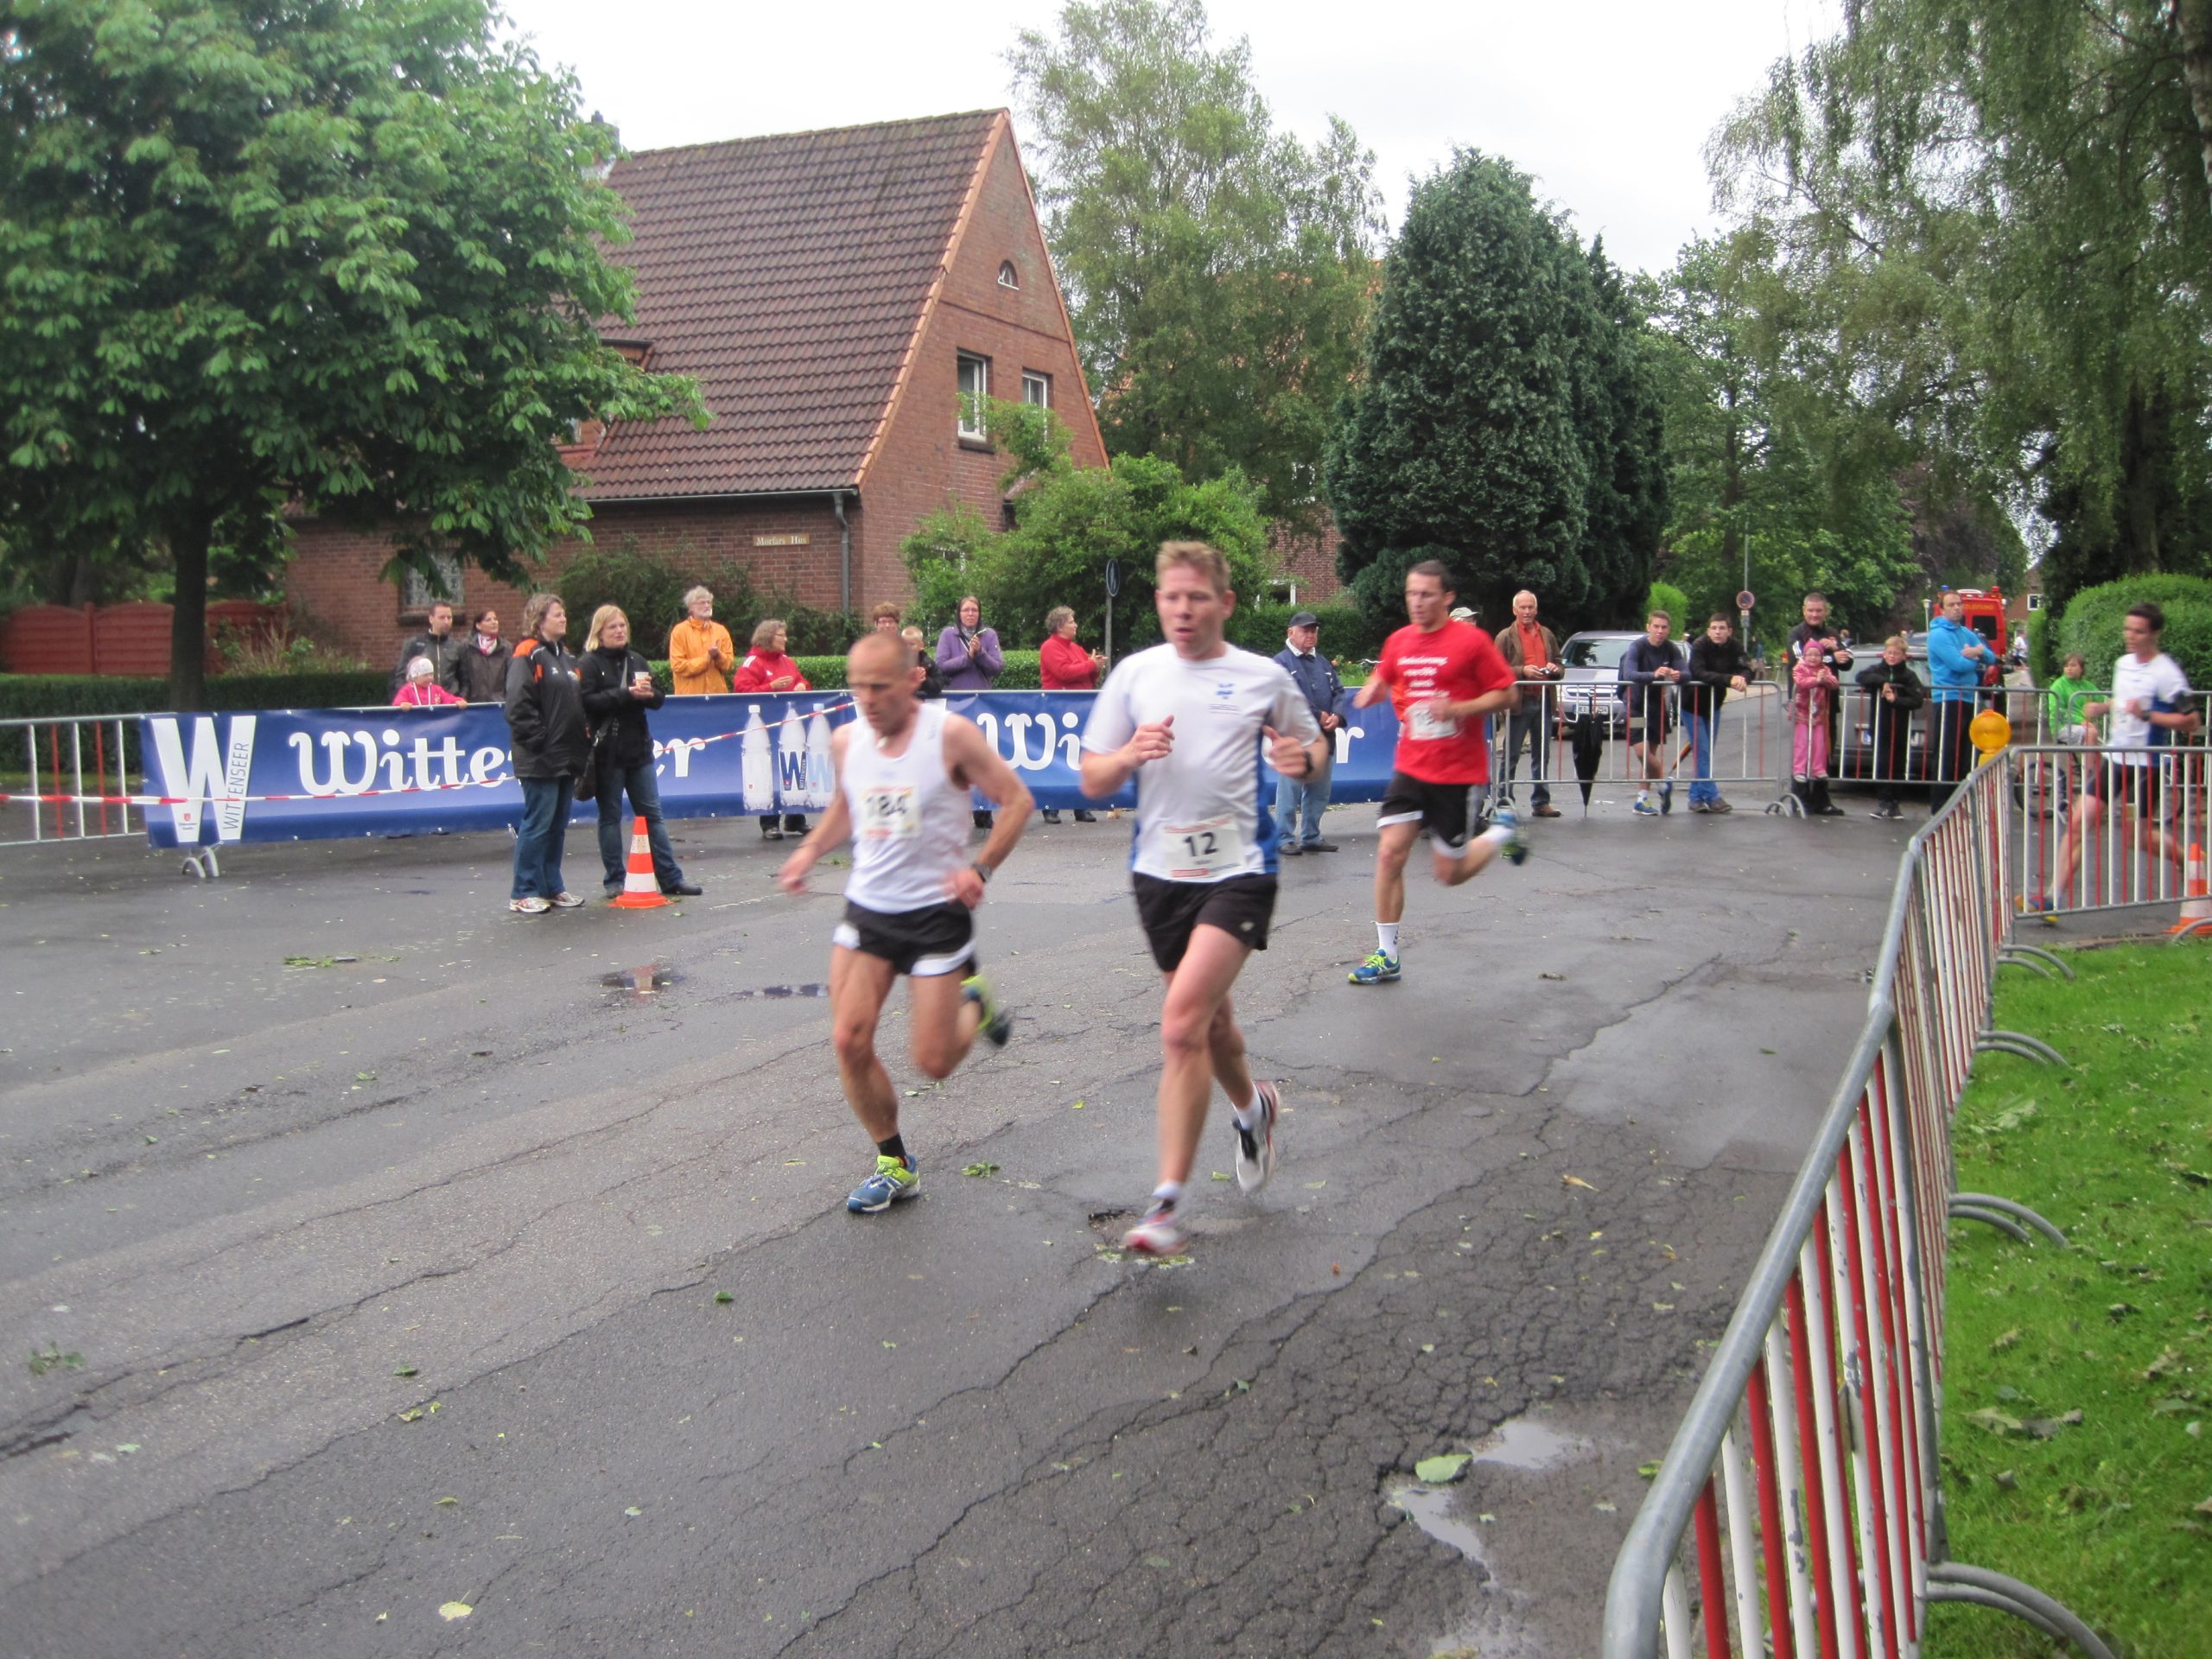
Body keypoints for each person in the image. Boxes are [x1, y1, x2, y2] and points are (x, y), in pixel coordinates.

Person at [1080, 542, 1328, 1255]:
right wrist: (1130, 754)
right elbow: (1093, 778)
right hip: (1159, 876)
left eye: (1196, 598)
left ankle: (1163, 1204)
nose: (1182, 610)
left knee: (1182, 1024)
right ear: (1157, 601)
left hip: (1240, 870)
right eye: (1169, 597)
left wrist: (1298, 759)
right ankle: (1255, 1109)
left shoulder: (1261, 677)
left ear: (1225, 603)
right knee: (1213, 1024)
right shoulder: (1134, 674)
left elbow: (1315, 756)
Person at [777, 632, 1033, 1216]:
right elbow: (849, 804)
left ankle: (975, 1001)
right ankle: (894, 1162)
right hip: (869, 909)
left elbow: (1016, 801)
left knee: (934, 1063)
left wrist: (982, 868)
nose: (866, 699)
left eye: (879, 687)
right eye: (857, 686)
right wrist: (809, 852)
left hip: (937, 915)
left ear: (912, 680)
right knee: (848, 1038)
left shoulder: (951, 737)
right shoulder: (846, 741)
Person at [1346, 561, 1528, 987]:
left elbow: (1508, 694)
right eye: (1411, 594)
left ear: (1447, 598)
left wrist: (1459, 709)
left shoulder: (1472, 642)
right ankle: (1386, 953)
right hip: (1411, 765)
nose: (1417, 602)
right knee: (1390, 852)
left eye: (1426, 594)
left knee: (1449, 873)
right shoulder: (1400, 640)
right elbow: (1388, 671)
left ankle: (1502, 832)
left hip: (1457, 772)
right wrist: (1374, 687)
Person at [2031, 602, 2202, 912]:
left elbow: (2193, 721)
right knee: (2078, 822)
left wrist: (2148, 714)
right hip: (2115, 760)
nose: (2131, 636)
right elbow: (2124, 699)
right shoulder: (2123, 663)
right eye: (2127, 629)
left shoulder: (2168, 674)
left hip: (2146, 765)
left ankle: (2185, 860)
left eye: (2138, 631)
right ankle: (2052, 898)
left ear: (2154, 634)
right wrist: (2104, 707)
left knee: (2137, 838)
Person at [579, 605, 701, 899]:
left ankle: (671, 878)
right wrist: (625, 695)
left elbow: (659, 698)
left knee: (653, 814)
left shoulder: (636, 659)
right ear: (599, 633)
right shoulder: (590, 663)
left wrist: (649, 695)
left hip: (639, 749)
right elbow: (587, 701)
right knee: (610, 816)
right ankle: (615, 880)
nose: (620, 631)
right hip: (608, 751)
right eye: (612, 627)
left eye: (622, 625)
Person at [503, 594, 589, 915]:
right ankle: (523, 890)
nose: (563, 619)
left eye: (564, 613)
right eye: (557, 614)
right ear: (539, 620)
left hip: (567, 755)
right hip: (540, 756)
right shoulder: (528, 653)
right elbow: (518, 704)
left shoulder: (567, 658)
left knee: (557, 824)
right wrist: (538, 741)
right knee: (538, 822)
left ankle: (551, 886)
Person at [1272, 610, 1346, 855]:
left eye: (1313, 630)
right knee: (1290, 789)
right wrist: (1318, 715)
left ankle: (1311, 836)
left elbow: (1339, 692)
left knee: (1320, 791)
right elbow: (1288, 697)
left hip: (1324, 738)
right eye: (1305, 630)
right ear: (1290, 633)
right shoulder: (1281, 663)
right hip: (1295, 737)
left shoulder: (1323, 662)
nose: (1310, 635)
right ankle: (1283, 837)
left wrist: (1337, 716)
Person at [733, 618, 812, 840]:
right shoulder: (753, 663)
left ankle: (796, 818)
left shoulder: (787, 661)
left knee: (795, 769)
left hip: (790, 726)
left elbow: (803, 681)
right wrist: (770, 688)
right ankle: (769, 822)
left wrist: (802, 686)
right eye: (781, 635)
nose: (786, 639)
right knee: (769, 773)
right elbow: (741, 691)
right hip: (765, 728)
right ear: (768, 637)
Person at [938, 595, 1005, 830]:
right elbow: (941, 665)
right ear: (959, 613)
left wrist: (981, 654)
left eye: (974, 610)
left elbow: (998, 667)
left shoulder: (989, 635)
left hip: (982, 703)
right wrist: (968, 658)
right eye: (966, 610)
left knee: (981, 759)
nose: (970, 614)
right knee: (956, 759)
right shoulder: (949, 635)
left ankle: (983, 812)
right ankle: (955, 810)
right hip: (956, 703)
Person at [1494, 589, 1563, 817]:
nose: (1526, 611)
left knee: (1541, 753)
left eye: (1530, 607)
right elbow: (1495, 669)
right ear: (1514, 610)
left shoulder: (1547, 634)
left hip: (1543, 698)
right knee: (1511, 753)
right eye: (1522, 607)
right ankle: (1504, 801)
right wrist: (1522, 671)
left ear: (1536, 609)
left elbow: (1560, 665)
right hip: (1519, 701)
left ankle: (1541, 801)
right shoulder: (1505, 636)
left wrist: (1554, 670)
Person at [1037, 605, 1106, 824]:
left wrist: (1096, 668)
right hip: (1059, 708)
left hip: (1079, 709)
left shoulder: (1076, 648)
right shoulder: (1049, 647)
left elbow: (1086, 679)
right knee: (1056, 757)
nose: (1075, 625)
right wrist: (1089, 664)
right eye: (1071, 621)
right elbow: (1063, 673)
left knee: (1080, 757)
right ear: (1059, 626)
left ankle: (1081, 805)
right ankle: (1051, 807)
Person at [1787, 594, 1854, 815]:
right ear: (1803, 610)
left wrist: (1835, 648)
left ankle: (1822, 800)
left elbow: (1849, 659)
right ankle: (1800, 799)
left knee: (1823, 750)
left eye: (1819, 611)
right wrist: (1833, 656)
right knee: (1802, 751)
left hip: (1827, 704)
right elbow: (1803, 660)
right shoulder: (1796, 634)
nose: (1815, 614)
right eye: (1811, 610)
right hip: (1802, 704)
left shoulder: (1832, 634)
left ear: (1825, 612)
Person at [1926, 589, 1991, 812]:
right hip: (1948, 698)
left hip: (1969, 698)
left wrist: (1974, 651)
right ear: (1942, 609)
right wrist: (1976, 658)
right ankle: (1940, 806)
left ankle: (1959, 803)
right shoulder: (1938, 635)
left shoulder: (1966, 633)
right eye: (1951, 605)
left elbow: (1991, 658)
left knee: (1966, 753)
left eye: (1959, 604)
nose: (1957, 608)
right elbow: (1958, 665)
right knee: (1946, 752)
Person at [1619, 611, 1686, 817]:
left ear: (1668, 630)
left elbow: (1687, 671)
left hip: (1658, 707)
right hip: (1637, 705)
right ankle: (1664, 784)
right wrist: (1654, 675)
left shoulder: (1671, 649)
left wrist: (1679, 675)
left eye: (1664, 627)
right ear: (1648, 627)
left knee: (1650, 755)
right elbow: (1630, 674)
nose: (1660, 631)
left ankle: (1642, 799)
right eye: (1656, 626)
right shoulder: (1637, 647)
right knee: (1641, 753)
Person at [1855, 635, 1926, 819]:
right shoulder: (1878, 670)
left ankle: (1895, 803)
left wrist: (1897, 700)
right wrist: (1882, 683)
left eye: (1896, 653)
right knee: (1882, 761)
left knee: (1898, 763)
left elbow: (1917, 699)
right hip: (1880, 723)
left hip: (1901, 724)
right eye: (1889, 652)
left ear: (1904, 655)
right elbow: (1861, 677)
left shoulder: (1909, 676)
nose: (1892, 656)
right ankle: (1883, 801)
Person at [1684, 613, 1750, 813]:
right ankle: (1712, 797)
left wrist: (1742, 678)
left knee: (1705, 753)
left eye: (1722, 628)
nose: (1717, 632)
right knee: (1703, 751)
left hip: (1714, 705)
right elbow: (1699, 673)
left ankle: (1695, 798)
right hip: (1691, 704)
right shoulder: (1699, 646)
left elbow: (1747, 668)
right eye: (1714, 628)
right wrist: (1729, 679)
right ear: (1708, 630)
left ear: (1729, 631)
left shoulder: (1736, 647)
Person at [1790, 635, 1841, 806]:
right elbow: (1800, 682)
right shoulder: (1800, 667)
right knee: (1802, 743)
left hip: (1819, 714)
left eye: (1817, 655)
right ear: (1804, 656)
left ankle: (1818, 769)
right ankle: (1799, 770)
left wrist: (1825, 679)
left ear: (1821, 656)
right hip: (1802, 712)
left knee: (1820, 743)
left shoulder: (1824, 669)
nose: (1813, 658)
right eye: (1810, 655)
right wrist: (1816, 680)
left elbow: (1834, 684)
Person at [389, 600, 466, 698]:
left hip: (450, 704)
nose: (446, 621)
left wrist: (460, 698)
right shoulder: (415, 644)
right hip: (421, 704)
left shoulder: (457, 647)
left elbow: (464, 680)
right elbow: (400, 676)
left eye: (449, 617)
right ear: (431, 619)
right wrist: (407, 698)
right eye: (442, 618)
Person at [668, 587, 734, 696]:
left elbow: (729, 665)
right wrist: (706, 658)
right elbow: (678, 666)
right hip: (690, 699)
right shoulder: (679, 631)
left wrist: (718, 655)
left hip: (717, 697)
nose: (707, 606)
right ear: (690, 608)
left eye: (709, 603)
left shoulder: (721, 631)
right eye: (702, 603)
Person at [458, 607, 511, 702]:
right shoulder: (467, 647)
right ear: (478, 625)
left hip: (498, 705)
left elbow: (509, 679)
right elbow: (464, 679)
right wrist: (462, 699)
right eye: (488, 620)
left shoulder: (506, 648)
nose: (494, 622)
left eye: (495, 619)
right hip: (474, 705)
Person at [2045, 652, 2098, 747]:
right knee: (2091, 733)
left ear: (2081, 669)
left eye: (2073, 665)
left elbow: (2103, 698)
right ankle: (2088, 762)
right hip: (2062, 726)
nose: (2069, 668)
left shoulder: (2087, 685)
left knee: (2096, 733)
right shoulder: (2058, 686)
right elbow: (2057, 711)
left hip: (2083, 725)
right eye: (2066, 666)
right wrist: (2081, 721)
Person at [392, 655, 467, 707]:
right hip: (414, 724)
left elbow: (447, 698)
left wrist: (457, 701)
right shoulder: (407, 690)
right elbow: (398, 701)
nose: (430, 678)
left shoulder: (437, 689)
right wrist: (402, 704)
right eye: (425, 675)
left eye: (431, 674)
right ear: (415, 677)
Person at [902, 626, 944, 700]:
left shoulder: (929, 663)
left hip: (923, 704)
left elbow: (939, 686)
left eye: (912, 644)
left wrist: (924, 680)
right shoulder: (895, 663)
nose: (908, 648)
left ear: (921, 645)